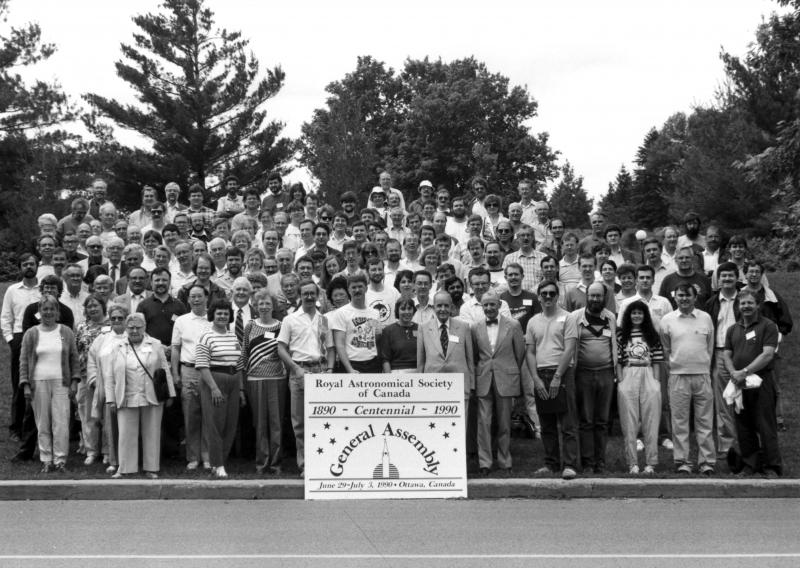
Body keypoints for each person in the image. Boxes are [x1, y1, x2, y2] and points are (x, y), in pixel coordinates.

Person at [105, 313, 175, 478]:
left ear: (144, 328)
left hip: (152, 395)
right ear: (126, 328)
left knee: (152, 432)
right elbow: (109, 375)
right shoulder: (117, 347)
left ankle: (151, 468)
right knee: (126, 434)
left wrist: (170, 393)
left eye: (138, 327)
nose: (134, 330)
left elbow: (165, 370)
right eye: (131, 327)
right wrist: (110, 399)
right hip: (126, 395)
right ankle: (125, 468)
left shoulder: (156, 344)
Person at [722, 290, 782, 477]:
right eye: (742, 304)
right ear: (738, 307)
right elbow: (726, 354)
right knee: (743, 426)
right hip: (740, 383)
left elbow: (767, 354)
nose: (746, 307)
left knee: (766, 425)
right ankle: (750, 464)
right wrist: (734, 373)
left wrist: (745, 371)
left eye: (750, 303)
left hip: (761, 381)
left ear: (758, 305)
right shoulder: (733, 329)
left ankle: (772, 466)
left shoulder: (768, 326)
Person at [18, 295, 80, 473]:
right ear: (39, 312)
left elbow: (74, 358)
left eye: (52, 309)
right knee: (42, 423)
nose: (48, 312)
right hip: (38, 382)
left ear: (57, 312)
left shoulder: (66, 331)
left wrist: (74, 381)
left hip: (62, 382)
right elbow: (23, 361)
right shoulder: (31, 333)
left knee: (60, 422)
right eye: (45, 309)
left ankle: (60, 460)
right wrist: (26, 385)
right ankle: (46, 459)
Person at [525, 280, 578, 479]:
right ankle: (551, 464)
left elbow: (570, 348)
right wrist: (536, 379)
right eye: (544, 293)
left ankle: (570, 464)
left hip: (563, 373)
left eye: (552, 293)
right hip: (541, 373)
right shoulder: (532, 322)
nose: (548, 297)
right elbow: (529, 352)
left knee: (567, 422)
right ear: (538, 296)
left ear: (558, 296)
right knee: (546, 423)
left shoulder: (568, 317)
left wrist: (558, 376)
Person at [659, 283, 715, 475]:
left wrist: (704, 366)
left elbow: (710, 346)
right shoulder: (667, 320)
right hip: (678, 377)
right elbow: (666, 349)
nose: (684, 299)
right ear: (675, 297)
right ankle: (682, 461)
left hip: (702, 375)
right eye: (680, 295)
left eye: (687, 296)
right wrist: (674, 366)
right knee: (680, 421)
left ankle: (706, 462)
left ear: (694, 297)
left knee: (705, 421)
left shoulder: (705, 318)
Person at [563, 282, 618, 473]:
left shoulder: (610, 317)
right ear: (587, 296)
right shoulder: (575, 317)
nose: (595, 299)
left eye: (599, 296)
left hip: (606, 373)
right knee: (586, 420)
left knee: (602, 421)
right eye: (592, 295)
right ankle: (587, 462)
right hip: (583, 373)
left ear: (605, 297)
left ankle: (600, 462)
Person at [277, 279, 331, 476]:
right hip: (299, 371)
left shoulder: (323, 319)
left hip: (321, 371)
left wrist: (330, 369)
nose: (309, 296)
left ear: (318, 296)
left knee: (322, 420)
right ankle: (305, 465)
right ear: (300, 295)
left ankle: (324, 460)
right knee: (300, 421)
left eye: (312, 293)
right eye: (305, 293)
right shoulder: (290, 319)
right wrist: (294, 368)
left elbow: (330, 348)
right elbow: (280, 348)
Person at [473, 291, 525, 475]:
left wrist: (509, 370)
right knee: (484, 422)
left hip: (506, 377)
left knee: (504, 422)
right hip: (484, 378)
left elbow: (520, 354)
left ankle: (505, 460)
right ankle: (484, 462)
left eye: (492, 304)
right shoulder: (475, 327)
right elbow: (474, 355)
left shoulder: (514, 325)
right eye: (485, 305)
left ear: (499, 305)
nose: (489, 308)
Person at [238, 289, 286, 474]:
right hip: (255, 379)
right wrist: (243, 382)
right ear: (256, 307)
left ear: (273, 306)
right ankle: (261, 463)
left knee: (276, 423)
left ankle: (276, 463)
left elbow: (284, 351)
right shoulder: (250, 325)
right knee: (259, 423)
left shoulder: (282, 325)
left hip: (277, 379)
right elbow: (244, 353)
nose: (264, 306)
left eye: (267, 303)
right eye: (260, 304)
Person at [195, 300, 245, 478]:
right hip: (214, 381)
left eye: (225, 313)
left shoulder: (233, 336)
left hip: (233, 381)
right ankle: (217, 464)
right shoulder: (206, 336)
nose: (223, 316)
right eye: (219, 313)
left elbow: (239, 364)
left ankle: (220, 461)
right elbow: (202, 365)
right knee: (215, 424)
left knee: (230, 424)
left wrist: (240, 390)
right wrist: (214, 388)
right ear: (213, 316)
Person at [616, 300, 664, 474]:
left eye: (640, 313)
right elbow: (618, 360)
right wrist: (621, 381)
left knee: (651, 420)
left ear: (645, 315)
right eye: (633, 313)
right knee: (629, 421)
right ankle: (632, 463)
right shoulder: (622, 335)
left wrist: (657, 383)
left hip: (649, 374)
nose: (637, 316)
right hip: (628, 374)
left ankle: (651, 462)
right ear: (628, 316)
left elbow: (658, 359)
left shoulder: (652, 334)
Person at [170, 285, 213, 471]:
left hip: (210, 372)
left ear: (206, 298)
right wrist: (175, 373)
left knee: (208, 415)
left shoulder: (214, 319)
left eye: (199, 296)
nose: (196, 300)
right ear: (188, 300)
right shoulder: (181, 321)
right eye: (192, 297)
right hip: (188, 370)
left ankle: (207, 456)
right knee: (191, 416)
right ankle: (193, 457)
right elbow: (175, 348)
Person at [2, 253, 41, 442]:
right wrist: (11, 340)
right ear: (20, 268)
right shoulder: (12, 290)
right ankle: (16, 427)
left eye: (32, 264)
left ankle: (39, 424)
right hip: (19, 337)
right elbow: (5, 318)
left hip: (42, 335)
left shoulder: (43, 289)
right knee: (20, 382)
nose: (28, 267)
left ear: (37, 266)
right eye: (25, 264)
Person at [704, 261, 741, 457]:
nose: (726, 279)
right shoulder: (711, 303)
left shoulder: (745, 300)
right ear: (718, 279)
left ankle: (747, 442)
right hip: (719, 354)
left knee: (745, 399)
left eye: (730, 275)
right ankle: (726, 446)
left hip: (742, 355)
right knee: (724, 400)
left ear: (737, 278)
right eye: (723, 276)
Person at [86, 303, 129, 474]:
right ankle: (113, 459)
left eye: (120, 318)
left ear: (126, 319)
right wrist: (95, 380)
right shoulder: (102, 338)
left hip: (128, 389)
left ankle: (129, 459)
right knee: (110, 426)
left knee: (127, 426)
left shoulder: (132, 335)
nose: (117, 321)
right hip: (108, 389)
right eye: (114, 318)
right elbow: (92, 360)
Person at [417, 291, 475, 415]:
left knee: (460, 426)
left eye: (446, 306)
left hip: (459, 386)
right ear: (434, 307)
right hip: (432, 386)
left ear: (451, 307)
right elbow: (421, 361)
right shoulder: (423, 327)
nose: (442, 309)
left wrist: (471, 385)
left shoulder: (464, 327)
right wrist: (419, 386)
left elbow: (470, 358)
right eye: (439, 306)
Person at [74, 294, 109, 465]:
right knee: (87, 415)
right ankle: (91, 450)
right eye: (89, 306)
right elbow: (75, 351)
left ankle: (107, 450)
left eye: (96, 305)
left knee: (105, 414)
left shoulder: (111, 326)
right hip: (84, 376)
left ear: (103, 307)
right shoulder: (81, 327)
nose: (93, 309)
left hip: (107, 376)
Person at [329, 274, 382, 373]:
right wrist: (350, 369)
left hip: (373, 363)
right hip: (351, 364)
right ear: (348, 290)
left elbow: (377, 338)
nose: (357, 290)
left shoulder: (375, 313)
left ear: (366, 288)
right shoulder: (341, 313)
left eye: (360, 287)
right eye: (353, 287)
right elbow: (339, 345)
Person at [379, 298, 418, 373]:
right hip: (396, 374)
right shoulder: (388, 330)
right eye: (403, 309)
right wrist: (390, 380)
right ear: (397, 311)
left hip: (418, 373)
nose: (407, 312)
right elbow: (385, 359)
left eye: (409, 308)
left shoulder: (420, 329)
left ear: (413, 310)